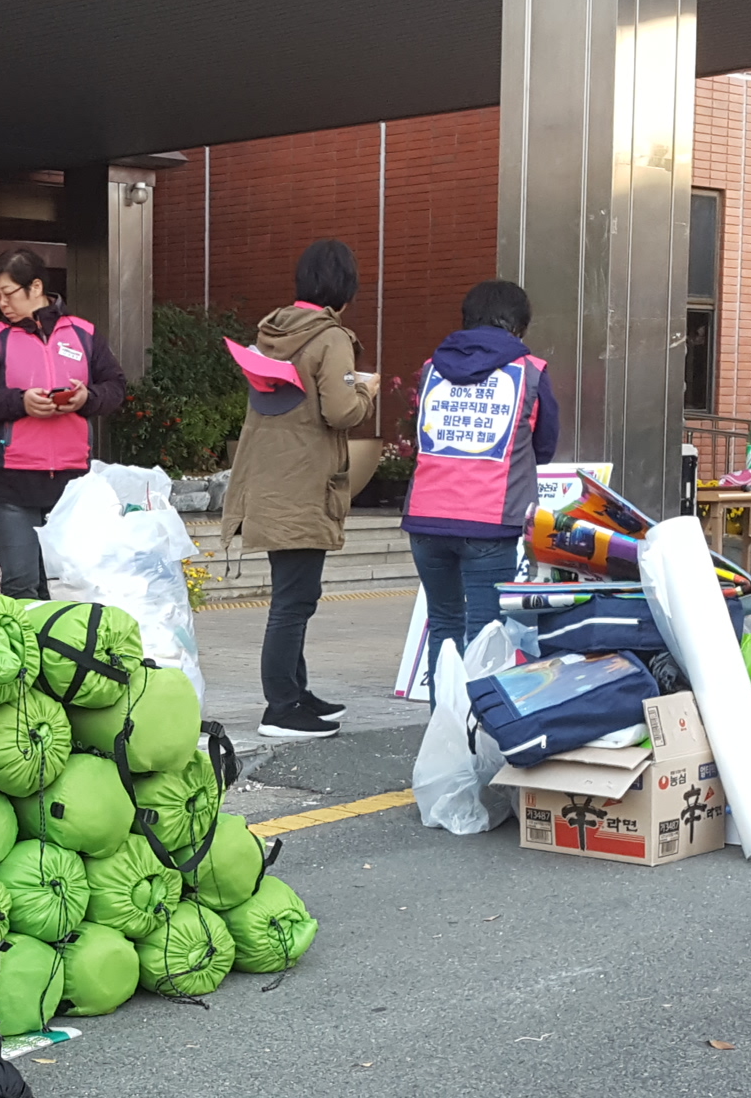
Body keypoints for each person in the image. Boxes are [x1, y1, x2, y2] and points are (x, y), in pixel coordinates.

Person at [220, 239, 383, 739]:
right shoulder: (330, 338)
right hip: (305, 483)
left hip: (270, 481)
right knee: (292, 602)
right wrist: (366, 391)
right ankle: (282, 706)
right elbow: (341, 411)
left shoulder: (273, 332)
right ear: (345, 286)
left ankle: (297, 690)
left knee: (295, 594)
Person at [400, 278, 559, 699]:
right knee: (486, 634)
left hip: (426, 518)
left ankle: (443, 726)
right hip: (490, 520)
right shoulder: (530, 371)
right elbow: (544, 447)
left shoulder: (433, 369)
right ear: (519, 325)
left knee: (444, 625)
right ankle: (478, 728)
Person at [0, 247, 128, 598]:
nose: (2, 303)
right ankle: (25, 636)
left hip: (72, 481)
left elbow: (116, 387)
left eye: (8, 294)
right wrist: (20, 402)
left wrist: (87, 398)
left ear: (35, 287)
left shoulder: (83, 333)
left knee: (71, 582)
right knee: (20, 582)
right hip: (11, 480)